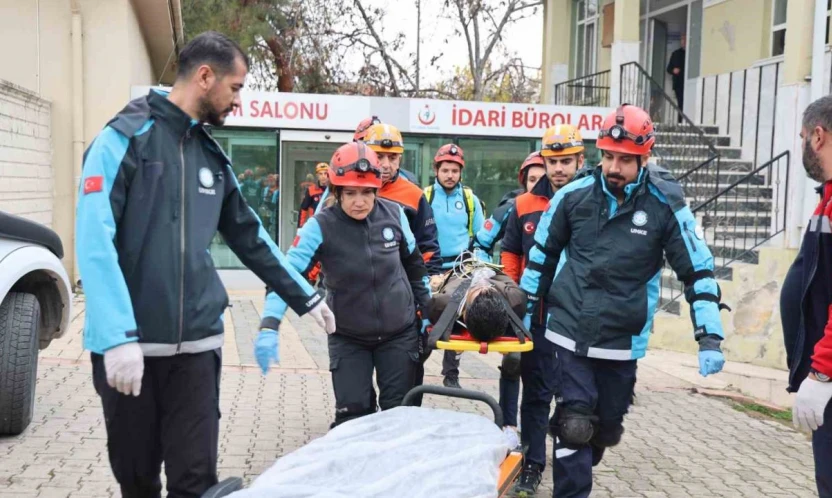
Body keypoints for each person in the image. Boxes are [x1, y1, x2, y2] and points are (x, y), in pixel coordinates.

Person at [74, 31, 336, 498]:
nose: (238, 100)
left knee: (195, 481)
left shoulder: (212, 158)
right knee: (136, 480)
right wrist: (116, 338)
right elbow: (95, 242)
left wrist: (305, 295)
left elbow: (251, 238)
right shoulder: (123, 139)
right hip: (131, 350)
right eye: (235, 88)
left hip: (198, 348)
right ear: (204, 76)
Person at [520, 104, 728, 498]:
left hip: (622, 340)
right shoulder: (573, 196)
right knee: (575, 424)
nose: (614, 167)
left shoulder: (665, 204)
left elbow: (697, 269)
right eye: (608, 156)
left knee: (605, 428)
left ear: (644, 157)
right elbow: (541, 259)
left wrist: (709, 335)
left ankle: (583, 438)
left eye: (625, 160)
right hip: (569, 330)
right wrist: (526, 314)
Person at [257, 141, 432, 428]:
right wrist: (269, 322)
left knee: (399, 417)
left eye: (366, 192)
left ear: (377, 189)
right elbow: (286, 274)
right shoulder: (320, 225)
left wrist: (427, 313)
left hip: (399, 333)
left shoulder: (395, 214)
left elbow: (414, 266)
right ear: (337, 191)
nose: (359, 201)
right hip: (348, 337)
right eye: (350, 193)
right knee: (353, 418)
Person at [501, 125, 584, 496]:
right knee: (535, 395)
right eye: (553, 162)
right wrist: (515, 300)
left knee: (575, 402)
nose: (559, 169)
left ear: (581, 161)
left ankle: (571, 469)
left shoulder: (593, 202)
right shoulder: (523, 206)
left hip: (579, 321)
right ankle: (532, 465)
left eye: (566, 161)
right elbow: (511, 254)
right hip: (535, 317)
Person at [780, 95, 832, 498]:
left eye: (802, 137)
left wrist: (822, 372)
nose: (802, 147)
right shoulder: (826, 197)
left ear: (818, 136)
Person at [423, 143, 485, 389]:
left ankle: (451, 373)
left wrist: (478, 264)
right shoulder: (425, 196)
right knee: (426, 318)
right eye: (445, 169)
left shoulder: (470, 200)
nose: (450, 175)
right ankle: (416, 363)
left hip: (461, 267)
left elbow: (482, 237)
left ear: (461, 172)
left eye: (454, 170)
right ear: (436, 169)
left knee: (458, 319)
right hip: (431, 268)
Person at [298, 162, 328, 228]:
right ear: (317, 175)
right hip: (315, 224)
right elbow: (303, 209)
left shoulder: (333, 190)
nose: (323, 176)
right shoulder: (311, 190)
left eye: (325, 173)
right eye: (320, 174)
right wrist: (300, 227)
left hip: (329, 224)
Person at [666, 33, 686, 123]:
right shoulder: (676, 53)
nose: (683, 42)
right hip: (679, 84)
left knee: (687, 104)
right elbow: (668, 69)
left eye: (685, 39)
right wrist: (673, 70)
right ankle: (680, 122)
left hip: (689, 83)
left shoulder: (692, 54)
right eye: (682, 40)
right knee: (681, 104)